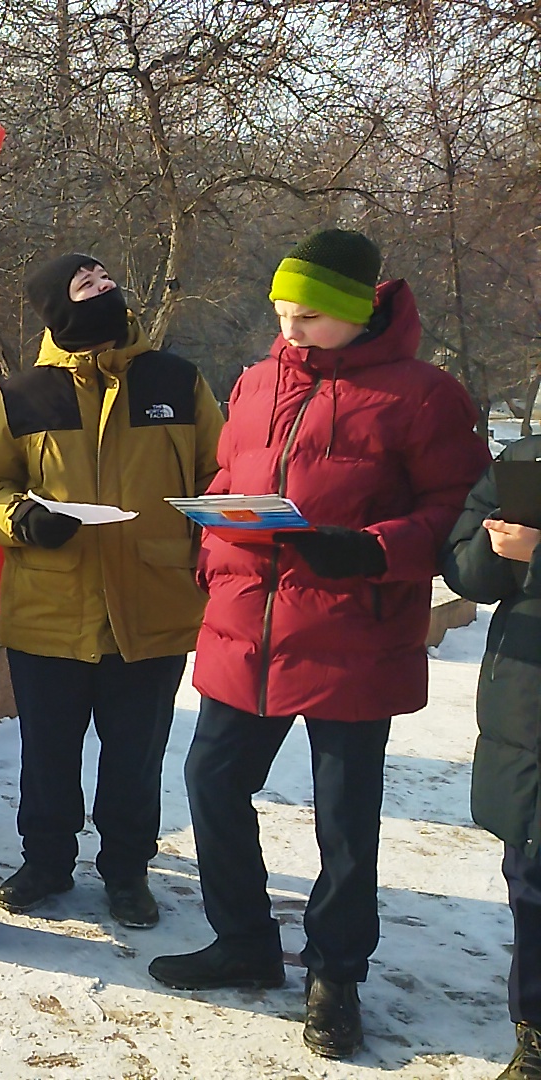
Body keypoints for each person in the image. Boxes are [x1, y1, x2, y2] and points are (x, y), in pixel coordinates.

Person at [148, 229, 491, 1060]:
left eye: (307, 316)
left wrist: (374, 549)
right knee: (212, 781)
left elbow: (457, 510)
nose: (289, 329)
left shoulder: (424, 395)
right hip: (245, 626)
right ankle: (244, 942)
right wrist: (211, 534)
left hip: (354, 633)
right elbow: (234, 478)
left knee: (345, 818)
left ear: (356, 310)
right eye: (281, 313)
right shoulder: (257, 381)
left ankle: (335, 974)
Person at [0, 254, 223, 928]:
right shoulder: (21, 397)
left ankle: (127, 871)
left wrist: (209, 546)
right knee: (49, 754)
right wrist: (20, 519)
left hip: (153, 608)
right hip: (51, 609)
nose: (105, 289)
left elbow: (217, 476)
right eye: (87, 285)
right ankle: (45, 862)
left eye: (108, 280)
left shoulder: (177, 379)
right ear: (56, 308)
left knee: (135, 757)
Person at [445, 443, 541, 1079]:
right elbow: (464, 572)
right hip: (529, 705)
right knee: (532, 881)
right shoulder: (528, 461)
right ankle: (534, 1035)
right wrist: (495, 539)